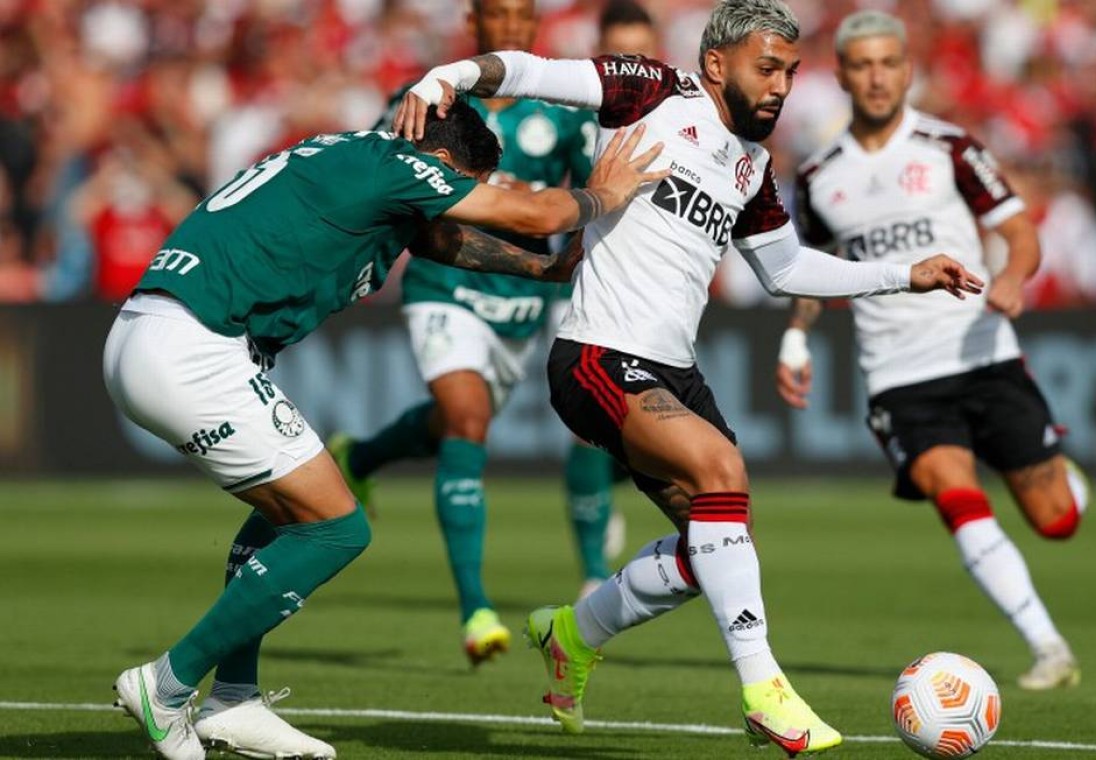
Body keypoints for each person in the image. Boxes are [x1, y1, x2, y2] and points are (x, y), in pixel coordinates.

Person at [395, 0, 983, 753]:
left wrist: (905, 273)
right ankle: (766, 692)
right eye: (766, 68)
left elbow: (786, 268)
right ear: (716, 63)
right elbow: (533, 72)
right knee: (721, 469)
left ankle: (574, 633)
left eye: (790, 73)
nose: (780, 87)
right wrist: (448, 74)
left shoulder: (752, 165)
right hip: (596, 354)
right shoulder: (649, 91)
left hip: (675, 368)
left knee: (714, 546)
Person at [103, 103, 665, 760]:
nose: (454, 205)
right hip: (194, 348)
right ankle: (166, 686)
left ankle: (234, 697)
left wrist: (542, 270)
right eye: (460, 189)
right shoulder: (401, 162)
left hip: (158, 333)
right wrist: (606, 194)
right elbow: (535, 214)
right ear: (446, 165)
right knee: (338, 527)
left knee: (287, 516)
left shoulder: (359, 161)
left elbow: (436, 239)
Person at [776, 10, 1087, 691]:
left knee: (1056, 520)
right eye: (861, 65)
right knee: (952, 489)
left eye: (888, 62)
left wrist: (1009, 278)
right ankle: (1048, 647)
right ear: (844, 74)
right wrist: (796, 335)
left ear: (907, 69)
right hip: (896, 373)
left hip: (979, 350)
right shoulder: (820, 175)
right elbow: (809, 269)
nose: (877, 76)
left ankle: (1060, 474)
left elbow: (1017, 228)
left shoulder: (948, 146)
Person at [327, 0, 618, 667]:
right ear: (473, 25)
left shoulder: (562, 113)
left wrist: (575, 258)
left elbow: (596, 191)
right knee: (466, 421)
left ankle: (362, 457)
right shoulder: (430, 100)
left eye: (524, 16)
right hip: (445, 285)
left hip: (522, 298)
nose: (513, 29)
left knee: (456, 419)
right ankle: (474, 609)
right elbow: (375, 166)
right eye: (500, 16)